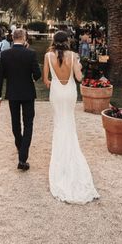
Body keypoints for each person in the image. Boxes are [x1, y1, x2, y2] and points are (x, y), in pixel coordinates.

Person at [42, 31, 99, 204]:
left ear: (53, 41)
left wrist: (54, 83)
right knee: (69, 123)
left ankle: (60, 158)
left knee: (60, 124)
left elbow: (46, 80)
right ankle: (71, 155)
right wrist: (80, 67)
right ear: (67, 41)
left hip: (57, 92)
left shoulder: (47, 56)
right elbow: (79, 78)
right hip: (70, 93)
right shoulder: (74, 56)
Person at [0, 29, 41, 172]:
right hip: (28, 94)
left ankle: (20, 148)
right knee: (28, 124)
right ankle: (22, 157)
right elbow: (37, 75)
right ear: (24, 38)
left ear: (13, 38)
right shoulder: (30, 53)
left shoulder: (5, 54)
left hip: (12, 93)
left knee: (15, 123)